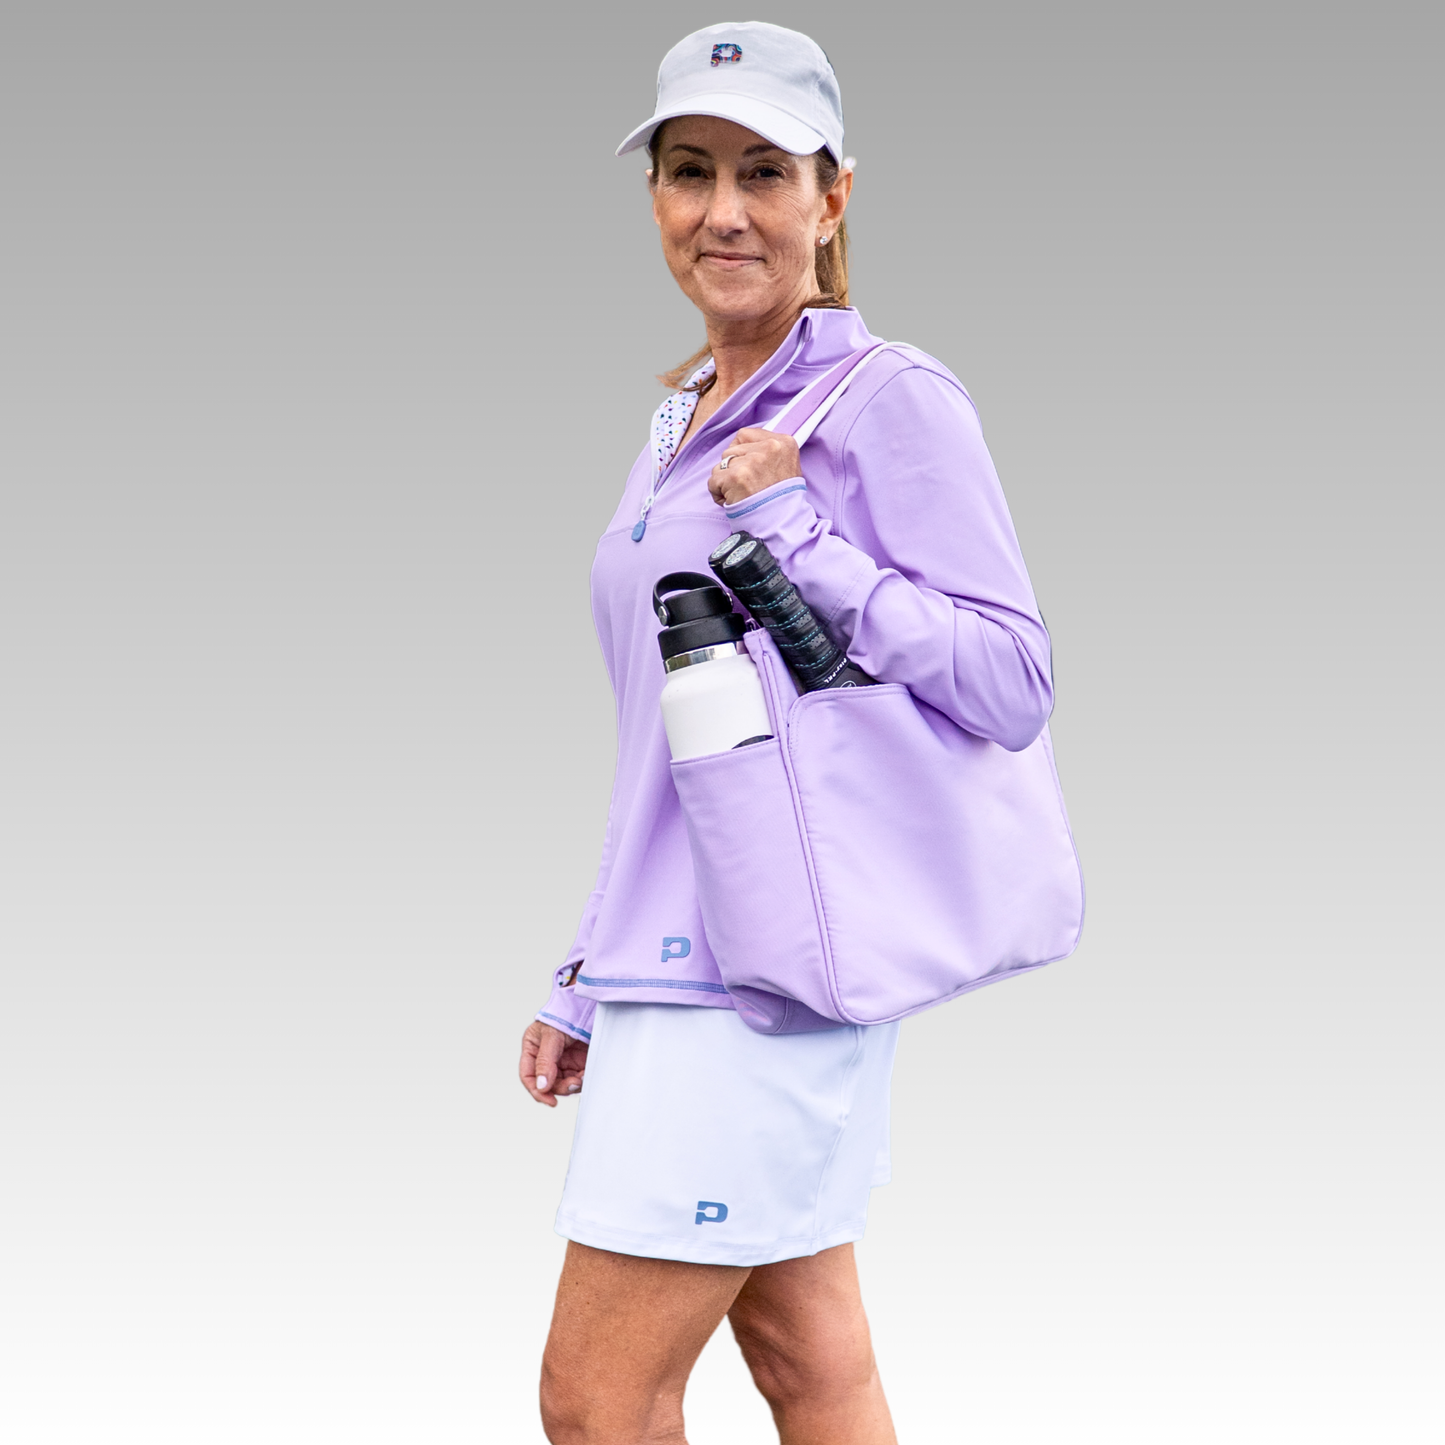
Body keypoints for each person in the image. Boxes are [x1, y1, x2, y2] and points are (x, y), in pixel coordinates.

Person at [517, 22, 1054, 1445]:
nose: (725, 210)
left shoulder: (888, 404)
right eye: (690, 172)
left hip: (753, 991)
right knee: (816, 1373)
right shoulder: (682, 420)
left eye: (766, 170)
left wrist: (795, 531)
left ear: (835, 197)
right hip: (679, 970)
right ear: (654, 203)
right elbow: (666, 749)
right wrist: (590, 969)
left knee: (597, 1398)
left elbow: (1009, 682)